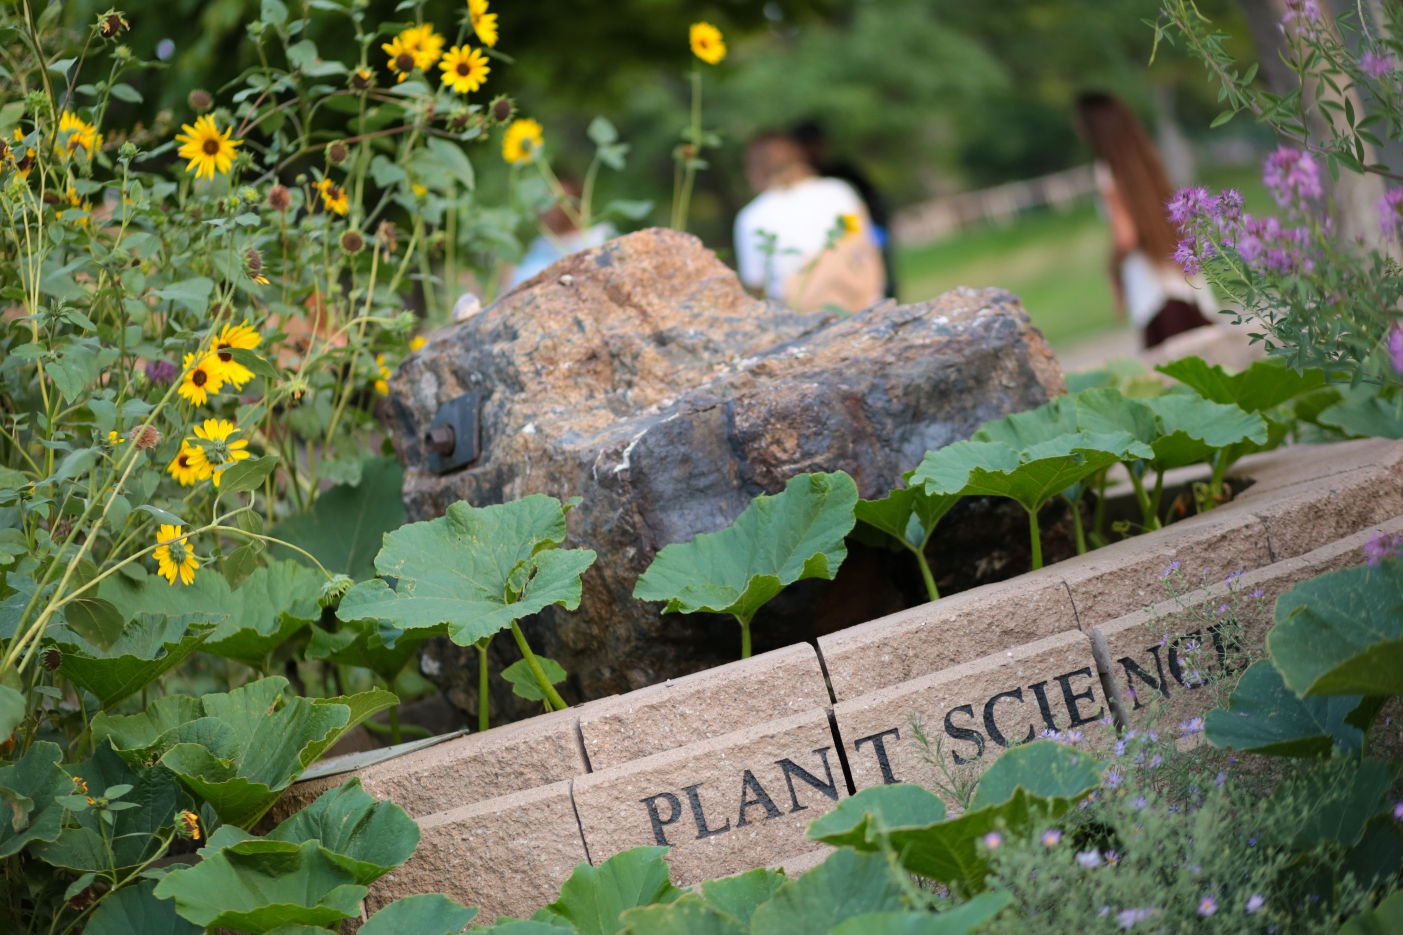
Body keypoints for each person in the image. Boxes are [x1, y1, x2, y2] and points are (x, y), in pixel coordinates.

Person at [1075, 92, 1216, 349]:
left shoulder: (1107, 171)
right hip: (1182, 276)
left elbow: (1126, 236)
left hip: (1150, 286)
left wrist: (1112, 270)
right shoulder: (1148, 159)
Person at [733, 132, 885, 313]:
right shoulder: (838, 191)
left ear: (754, 171)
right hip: (864, 298)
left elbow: (758, 286)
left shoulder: (751, 218)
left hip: (802, 316)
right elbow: (862, 242)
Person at [791, 120, 898, 298]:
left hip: (862, 238)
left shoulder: (842, 171)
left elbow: (872, 201)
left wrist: (875, 232)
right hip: (830, 248)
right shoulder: (803, 183)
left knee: (882, 288)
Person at [507, 176, 615, 289]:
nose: (551, 208)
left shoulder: (601, 238)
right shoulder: (541, 246)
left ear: (578, 204)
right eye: (545, 201)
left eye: (558, 201)